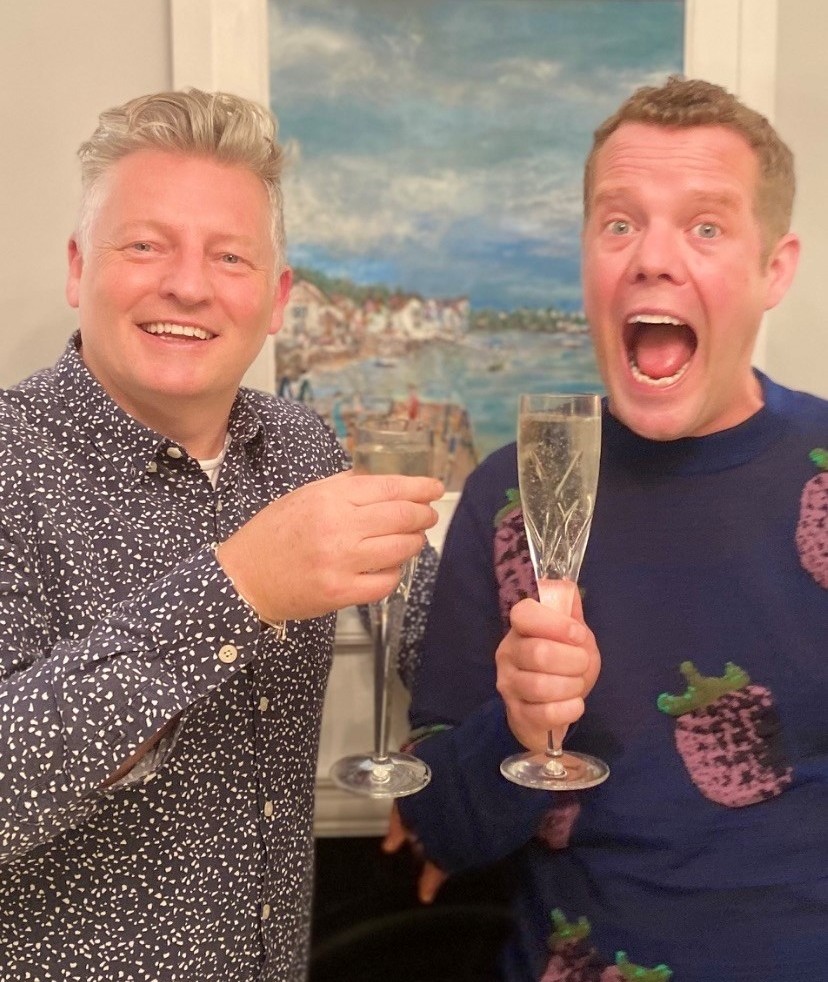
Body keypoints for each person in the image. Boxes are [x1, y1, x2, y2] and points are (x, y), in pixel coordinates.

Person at [388, 76, 828, 981]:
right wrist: (518, 725)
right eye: (619, 223)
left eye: (705, 227)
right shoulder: (511, 489)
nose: (651, 259)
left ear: (772, 269)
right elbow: (443, 828)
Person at [0, 89, 443, 981]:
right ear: (80, 269)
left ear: (275, 300)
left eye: (229, 256)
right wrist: (234, 589)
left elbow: (429, 617)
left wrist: (492, 696)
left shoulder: (303, 444)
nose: (190, 285)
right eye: (145, 244)